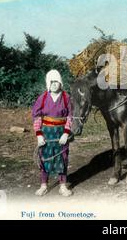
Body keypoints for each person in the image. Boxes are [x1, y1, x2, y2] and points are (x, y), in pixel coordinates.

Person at [32, 69, 73, 197]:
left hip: (61, 133)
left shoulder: (66, 98)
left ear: (60, 83)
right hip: (46, 133)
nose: (54, 84)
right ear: (48, 84)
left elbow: (71, 116)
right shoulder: (43, 98)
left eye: (56, 81)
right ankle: (43, 185)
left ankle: (62, 186)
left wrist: (66, 133)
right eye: (51, 82)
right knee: (45, 158)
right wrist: (39, 135)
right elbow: (36, 116)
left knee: (62, 158)